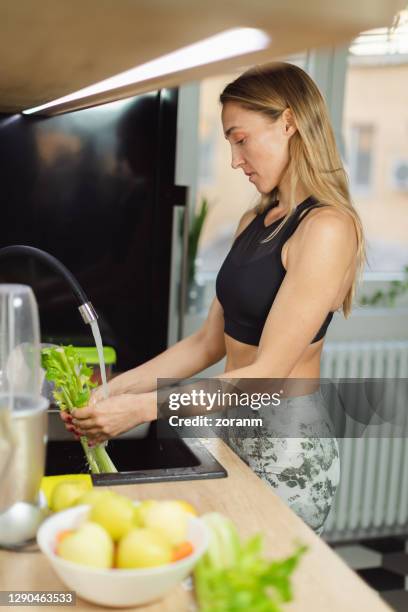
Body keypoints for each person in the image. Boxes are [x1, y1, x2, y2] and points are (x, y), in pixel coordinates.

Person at [64, 62, 365, 535]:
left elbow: (267, 375)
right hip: (230, 431)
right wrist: (116, 390)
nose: (234, 159)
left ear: (288, 122)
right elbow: (207, 343)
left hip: (287, 450)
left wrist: (143, 410)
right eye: (229, 143)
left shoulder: (326, 228)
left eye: (240, 138)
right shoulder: (254, 222)